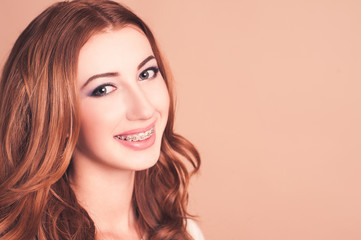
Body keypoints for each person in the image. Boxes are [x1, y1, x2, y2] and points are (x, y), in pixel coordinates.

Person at [0, 0, 203, 239]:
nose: (145, 109)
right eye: (104, 89)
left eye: (146, 73)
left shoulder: (185, 231)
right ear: (55, 115)